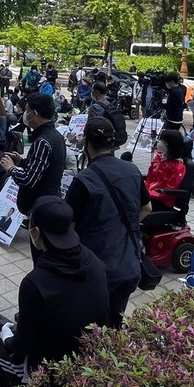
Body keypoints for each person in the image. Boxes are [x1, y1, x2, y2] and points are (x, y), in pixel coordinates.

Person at [0, 196, 110, 387]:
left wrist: (7, 336)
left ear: (35, 233)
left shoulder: (35, 283)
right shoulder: (94, 260)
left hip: (50, 376)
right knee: (3, 339)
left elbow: (22, 346)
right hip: (86, 360)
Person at [65, 118, 151, 327]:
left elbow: (69, 228)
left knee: (90, 330)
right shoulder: (132, 170)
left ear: (87, 142)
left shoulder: (84, 180)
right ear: (113, 142)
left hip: (96, 271)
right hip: (130, 266)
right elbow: (147, 208)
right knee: (115, 324)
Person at [1, 93, 66, 219]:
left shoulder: (42, 141)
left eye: (27, 110)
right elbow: (43, 168)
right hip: (49, 202)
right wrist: (21, 162)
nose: (25, 114)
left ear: (34, 113)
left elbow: (28, 180)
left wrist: (11, 168)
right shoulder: (56, 135)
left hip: (40, 207)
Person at [144, 129, 188, 211]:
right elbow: (150, 178)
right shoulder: (159, 158)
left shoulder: (178, 166)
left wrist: (147, 194)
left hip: (162, 200)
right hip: (150, 194)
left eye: (164, 142)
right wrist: (143, 190)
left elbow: (169, 190)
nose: (160, 143)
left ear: (171, 145)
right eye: (161, 140)